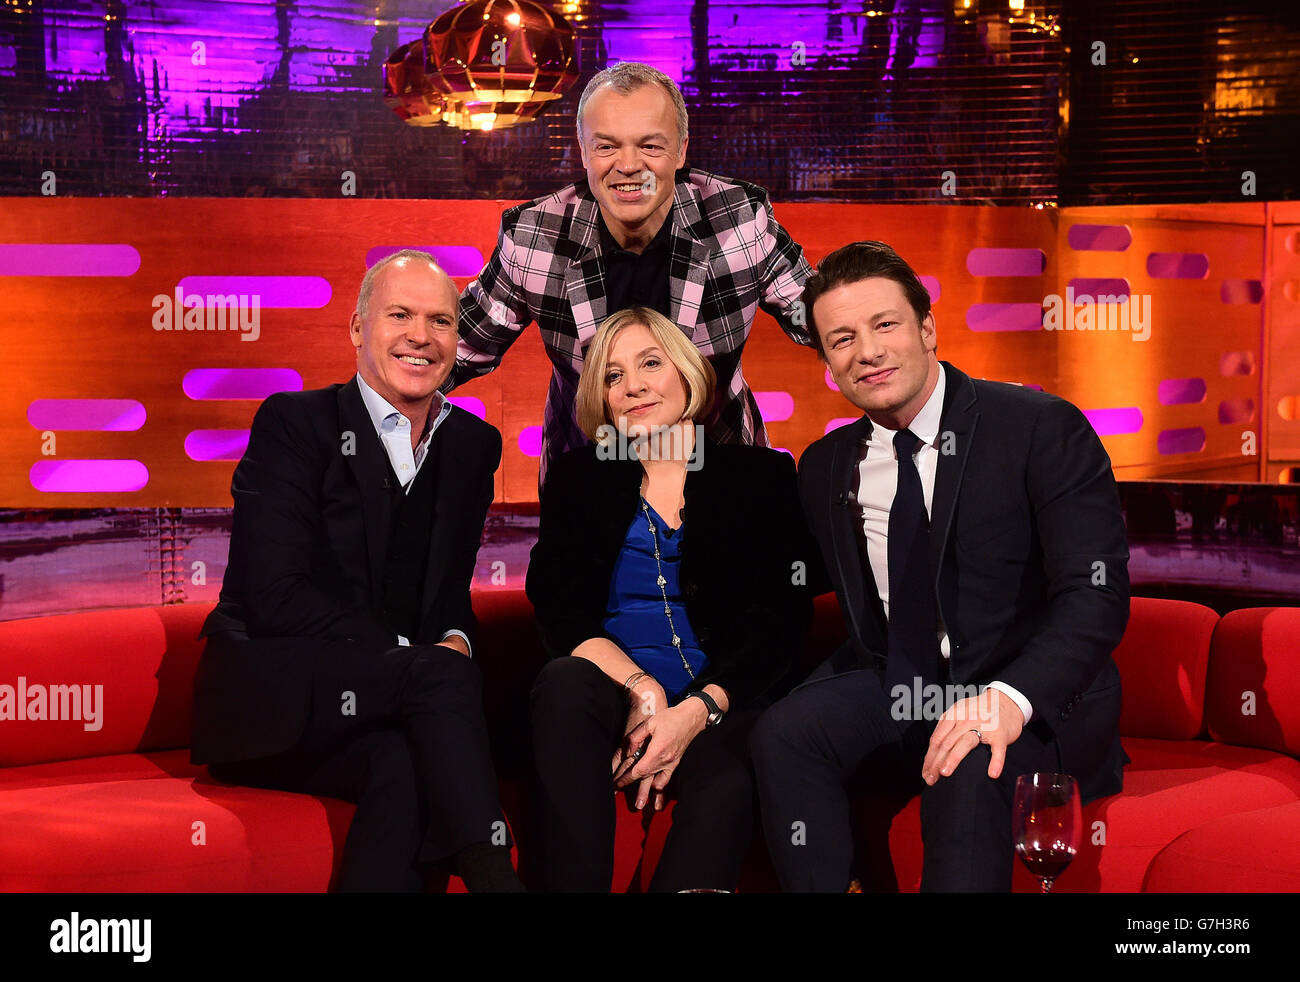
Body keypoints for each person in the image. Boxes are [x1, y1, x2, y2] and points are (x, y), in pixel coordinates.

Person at [750, 241, 1129, 892]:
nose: (865, 351)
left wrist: (1010, 699)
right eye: (841, 339)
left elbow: (1093, 595)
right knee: (785, 732)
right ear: (828, 363)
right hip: (905, 682)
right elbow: (776, 580)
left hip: (1029, 689)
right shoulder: (825, 465)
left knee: (970, 755)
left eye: (885, 325)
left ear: (927, 328)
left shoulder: (1039, 428)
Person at [191, 250, 523, 892]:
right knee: (440, 677)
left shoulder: (471, 446)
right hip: (277, 697)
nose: (420, 337)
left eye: (441, 321)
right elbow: (273, 597)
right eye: (399, 315)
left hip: (388, 709)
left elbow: (448, 593)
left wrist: (454, 634)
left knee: (402, 769)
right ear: (356, 328)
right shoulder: (295, 423)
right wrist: (414, 654)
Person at [525, 305, 815, 891]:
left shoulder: (760, 477)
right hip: (612, 697)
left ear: (686, 373)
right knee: (561, 684)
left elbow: (781, 622)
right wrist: (643, 689)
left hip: (723, 703)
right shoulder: (579, 478)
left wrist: (693, 711)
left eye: (650, 364)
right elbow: (559, 608)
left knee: (734, 769)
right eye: (612, 376)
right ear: (601, 401)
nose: (632, 386)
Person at [444, 61, 816, 486]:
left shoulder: (736, 218)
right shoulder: (535, 236)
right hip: (588, 477)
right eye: (606, 147)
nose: (628, 165)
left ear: (681, 151)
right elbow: (457, 349)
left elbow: (824, 319)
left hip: (720, 468)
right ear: (582, 152)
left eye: (651, 147)